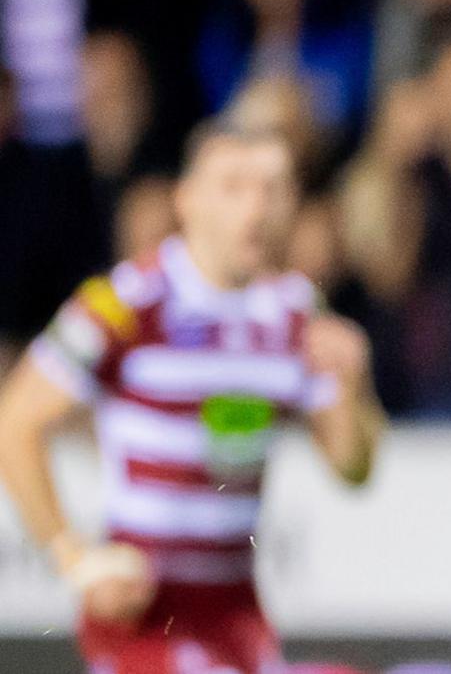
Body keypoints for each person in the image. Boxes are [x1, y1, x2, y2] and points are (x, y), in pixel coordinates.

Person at [0, 119, 386, 673]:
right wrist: (75, 559)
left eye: (272, 187)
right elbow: (15, 422)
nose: (256, 207)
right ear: (187, 201)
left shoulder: (299, 313)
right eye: (234, 187)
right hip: (146, 608)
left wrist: (354, 384)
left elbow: (352, 469)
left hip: (236, 607)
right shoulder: (126, 303)